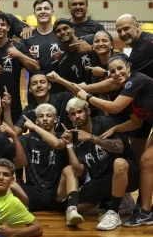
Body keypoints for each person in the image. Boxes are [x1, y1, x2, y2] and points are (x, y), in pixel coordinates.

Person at [74, 55, 153, 226]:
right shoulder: (127, 91)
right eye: (112, 71)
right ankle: (146, 212)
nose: (117, 73)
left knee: (147, 161)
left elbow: (115, 107)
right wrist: (116, 128)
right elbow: (136, 122)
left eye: (120, 68)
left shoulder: (136, 80)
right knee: (147, 162)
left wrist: (87, 96)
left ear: (129, 67)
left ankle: (145, 211)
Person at [58, 97, 139, 229]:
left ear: (88, 111)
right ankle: (118, 199)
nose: (77, 116)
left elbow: (119, 147)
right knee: (72, 205)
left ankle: (113, 211)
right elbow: (78, 169)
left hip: (128, 174)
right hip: (103, 180)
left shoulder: (105, 122)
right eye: (73, 114)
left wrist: (91, 138)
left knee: (119, 163)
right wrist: (69, 145)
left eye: (79, 112)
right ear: (70, 118)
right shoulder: (76, 138)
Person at [0, 13, 39, 124]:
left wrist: (19, 55)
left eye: (3, 24)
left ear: (8, 28)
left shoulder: (18, 47)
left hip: (12, 103)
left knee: (12, 138)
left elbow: (36, 68)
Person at [11, 104, 68, 212]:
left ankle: (71, 208)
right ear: (37, 120)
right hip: (33, 190)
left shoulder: (63, 136)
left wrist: (33, 127)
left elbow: (56, 143)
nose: (45, 118)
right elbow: (10, 137)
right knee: (9, 184)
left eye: (48, 116)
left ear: (55, 119)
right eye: (41, 116)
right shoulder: (28, 139)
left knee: (70, 173)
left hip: (55, 191)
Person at [5, 72, 73, 136]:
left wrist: (59, 79)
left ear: (49, 86)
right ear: (30, 89)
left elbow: (80, 93)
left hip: (64, 143)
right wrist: (6, 108)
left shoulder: (63, 98)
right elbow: (13, 133)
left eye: (42, 82)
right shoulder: (29, 110)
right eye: (34, 84)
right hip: (39, 147)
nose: (39, 86)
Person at [21, 0, 62, 96]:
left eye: (46, 8)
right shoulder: (27, 37)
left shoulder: (61, 35)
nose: (43, 11)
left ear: (52, 11)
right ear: (34, 13)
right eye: (39, 9)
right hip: (36, 92)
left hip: (60, 91)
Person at [53, 18, 93, 85]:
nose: (62, 32)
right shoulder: (63, 63)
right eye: (58, 31)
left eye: (65, 28)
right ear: (56, 35)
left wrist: (91, 47)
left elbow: (110, 48)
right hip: (84, 93)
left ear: (73, 29)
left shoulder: (90, 40)